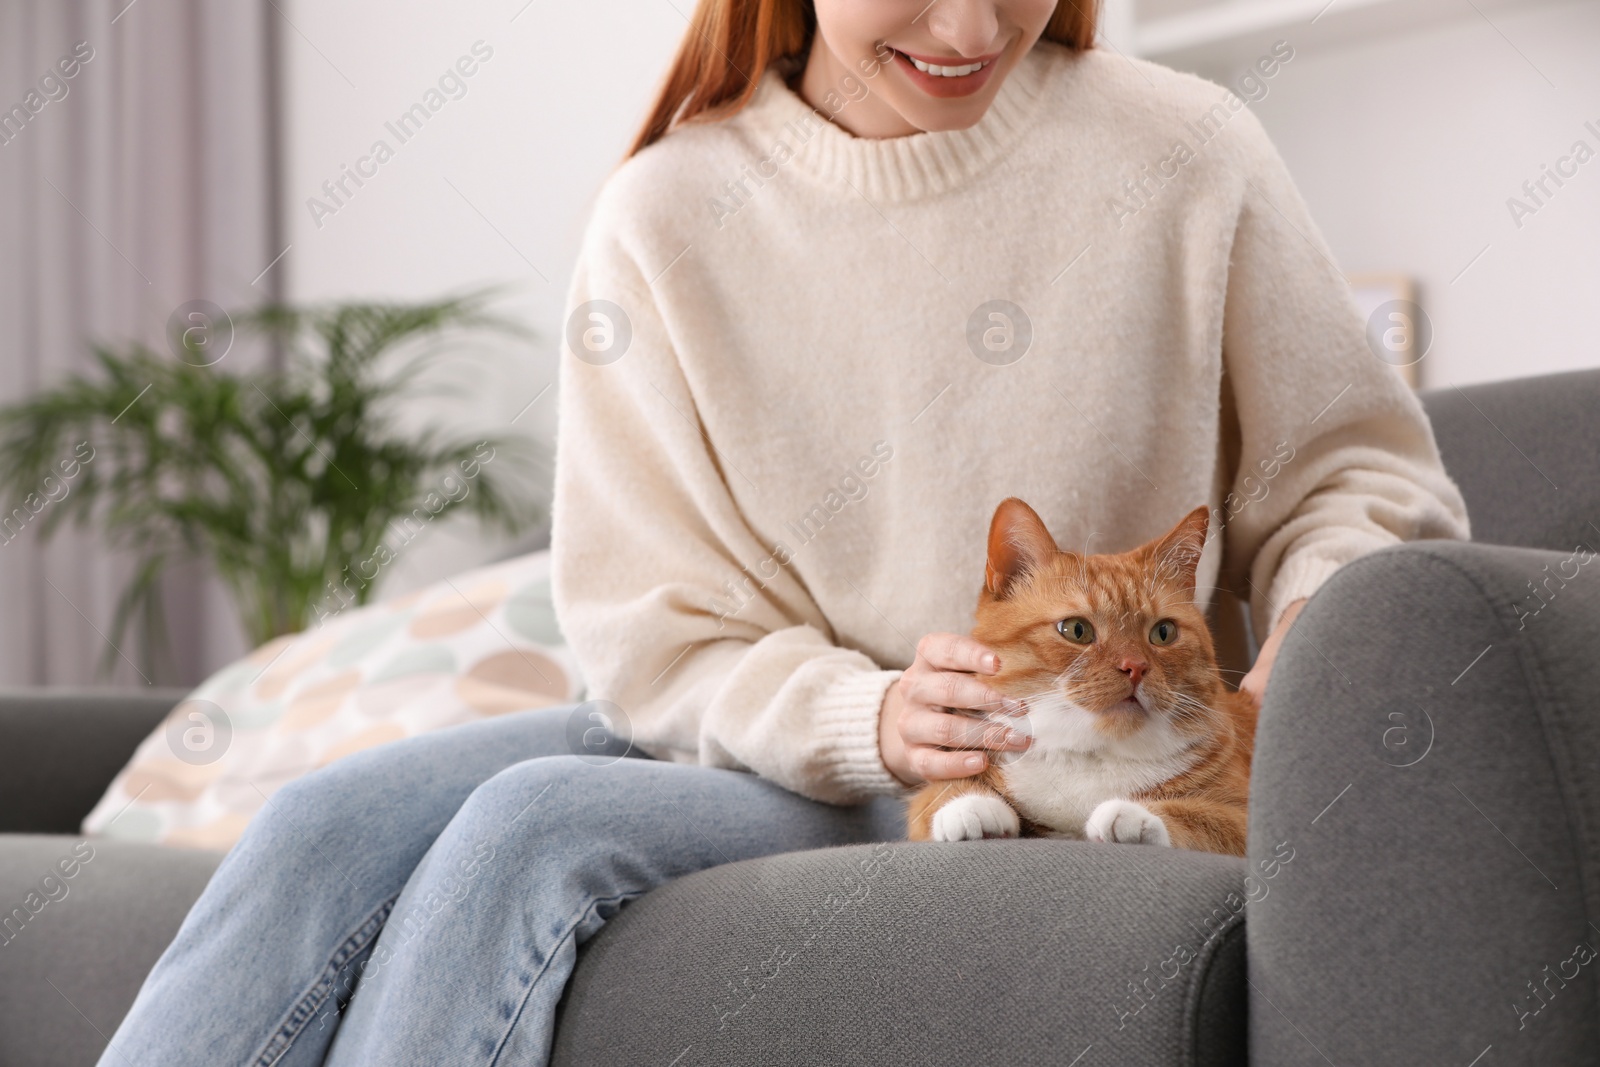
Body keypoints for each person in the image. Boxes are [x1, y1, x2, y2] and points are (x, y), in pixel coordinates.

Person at [100, 0, 1469, 1063]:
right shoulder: (666, 218)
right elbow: (650, 641)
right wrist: (862, 714)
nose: (973, 30)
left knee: (528, 827)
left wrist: (1318, 631)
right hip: (778, 727)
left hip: (1019, 758)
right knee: (319, 821)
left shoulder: (1183, 154)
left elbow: (1355, 472)